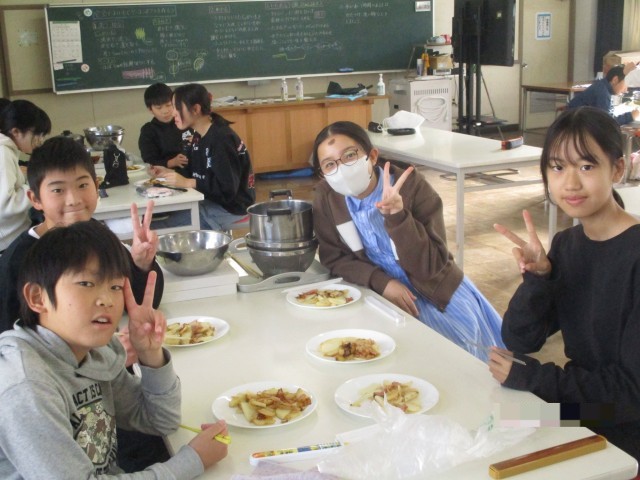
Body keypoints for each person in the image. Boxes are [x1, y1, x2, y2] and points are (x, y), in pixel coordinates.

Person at [0, 220, 229, 477]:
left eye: (115, 286)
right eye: (86, 284)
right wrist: (191, 461)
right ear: (37, 297)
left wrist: (149, 354)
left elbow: (160, 420)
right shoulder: (25, 385)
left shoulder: (94, 351)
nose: (107, 300)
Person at [0, 136, 168, 472]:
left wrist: (140, 263)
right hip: (57, 398)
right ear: (35, 198)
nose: (74, 199)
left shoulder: (96, 238)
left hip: (101, 381)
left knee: (160, 438)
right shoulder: (20, 260)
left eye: (82, 185)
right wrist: (96, 344)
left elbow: (138, 300)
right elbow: (10, 339)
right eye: (58, 190)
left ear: (97, 185)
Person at [491, 106, 640, 463]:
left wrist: (536, 380)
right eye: (558, 167)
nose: (570, 184)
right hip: (588, 408)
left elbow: (632, 393)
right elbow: (519, 340)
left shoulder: (635, 255)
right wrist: (538, 279)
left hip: (626, 427)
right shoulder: (568, 245)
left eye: (586, 166)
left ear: (617, 169)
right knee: (483, 432)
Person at [311, 121, 504, 361]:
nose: (341, 169)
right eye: (329, 164)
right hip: (379, 293)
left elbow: (431, 266)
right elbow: (334, 258)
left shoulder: (412, 187)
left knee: (457, 361)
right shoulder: (328, 197)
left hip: (434, 291)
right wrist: (382, 282)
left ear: (372, 156)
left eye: (350, 155)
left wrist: (398, 217)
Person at [150, 83, 255, 232]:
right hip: (209, 201)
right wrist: (169, 172)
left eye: (176, 107)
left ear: (196, 109)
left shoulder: (221, 139)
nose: (173, 113)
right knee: (156, 219)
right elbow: (195, 171)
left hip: (229, 208)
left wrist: (189, 182)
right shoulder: (198, 135)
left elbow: (227, 189)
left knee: (157, 228)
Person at [0, 98, 51, 253]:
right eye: (36, 134)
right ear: (16, 132)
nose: (39, 140)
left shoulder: (7, 150)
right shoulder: (3, 152)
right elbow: (5, 205)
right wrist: (36, 186)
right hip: (8, 241)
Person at [138, 82, 192, 177]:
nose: (165, 111)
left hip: (192, 172)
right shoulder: (148, 130)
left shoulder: (186, 122)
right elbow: (149, 160)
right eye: (159, 108)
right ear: (150, 109)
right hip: (165, 175)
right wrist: (172, 162)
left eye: (168, 105)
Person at [567, 64, 640, 125]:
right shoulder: (603, 92)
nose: (626, 90)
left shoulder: (602, 85)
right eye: (626, 84)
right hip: (575, 125)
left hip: (576, 122)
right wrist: (631, 116)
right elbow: (607, 122)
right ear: (615, 80)